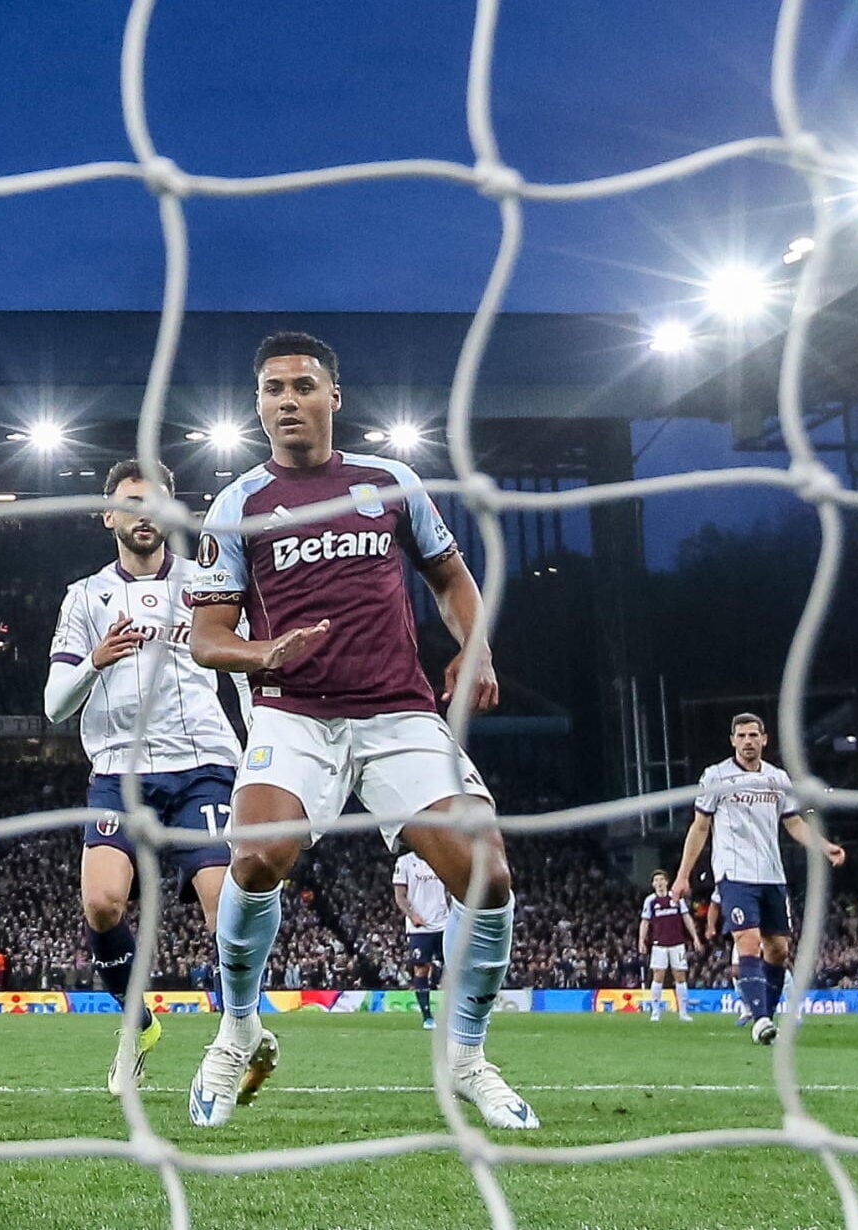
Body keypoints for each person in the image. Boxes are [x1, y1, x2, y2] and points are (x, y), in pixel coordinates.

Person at [182, 331, 537, 1130]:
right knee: (259, 854)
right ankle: (238, 1030)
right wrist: (263, 651)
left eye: (303, 386)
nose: (286, 402)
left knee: (487, 874)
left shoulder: (392, 483)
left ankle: (468, 1058)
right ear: (259, 406)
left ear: (333, 397)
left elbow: (452, 577)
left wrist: (473, 648)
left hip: (397, 712)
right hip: (292, 713)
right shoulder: (238, 504)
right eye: (272, 390)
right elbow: (207, 636)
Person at [44, 457, 243, 1093]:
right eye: (131, 502)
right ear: (110, 516)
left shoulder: (207, 584)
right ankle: (137, 1023)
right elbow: (53, 705)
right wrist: (96, 662)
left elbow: (240, 668)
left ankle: (236, 1036)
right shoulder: (84, 597)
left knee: (223, 906)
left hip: (204, 765)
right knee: (101, 903)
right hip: (120, 772)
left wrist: (261, 744)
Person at [672, 713, 843, 1044]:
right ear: (732, 740)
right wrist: (683, 876)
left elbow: (793, 823)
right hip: (734, 874)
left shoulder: (777, 778)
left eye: (754, 735)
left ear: (764, 739)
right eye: (742, 735)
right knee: (747, 942)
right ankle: (761, 1019)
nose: (748, 741)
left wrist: (824, 847)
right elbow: (700, 826)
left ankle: (765, 1012)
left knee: (778, 950)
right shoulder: (716, 776)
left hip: (771, 875)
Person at [393, 849, 449, 1030]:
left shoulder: (439, 856)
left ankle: (464, 1015)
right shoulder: (404, 862)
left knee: (456, 968)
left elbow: (451, 888)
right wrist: (411, 915)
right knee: (421, 968)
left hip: (444, 923)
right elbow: (399, 896)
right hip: (420, 927)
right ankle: (427, 1018)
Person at [637, 870, 700, 1022]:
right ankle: (656, 1011)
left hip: (677, 943)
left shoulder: (676, 897)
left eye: (661, 879)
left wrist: (695, 937)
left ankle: (683, 1012)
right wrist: (641, 940)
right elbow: (645, 922)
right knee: (658, 976)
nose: (658, 883)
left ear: (666, 881)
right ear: (653, 884)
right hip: (659, 944)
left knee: (680, 976)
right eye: (655, 880)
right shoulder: (650, 901)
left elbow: (686, 917)